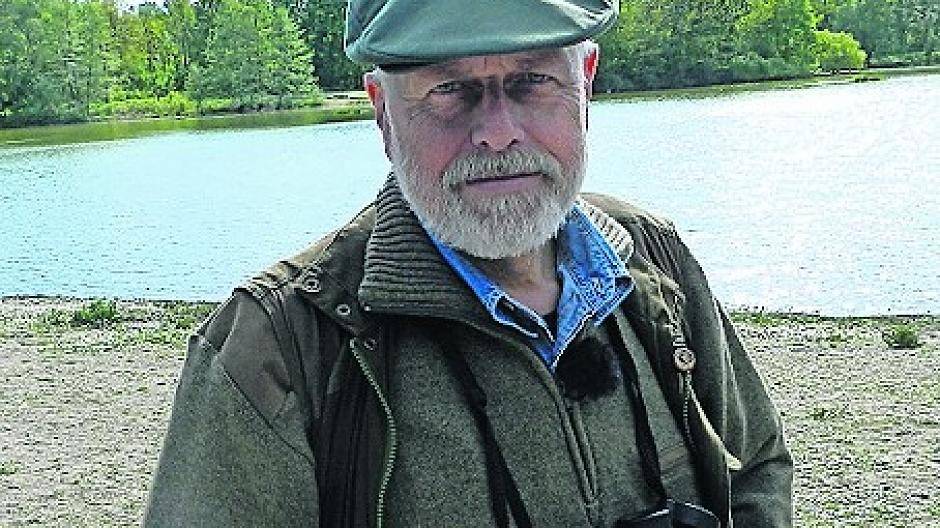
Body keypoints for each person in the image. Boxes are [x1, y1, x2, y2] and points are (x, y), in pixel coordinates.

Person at [144, 1, 793, 526]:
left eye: (533, 80)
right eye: (450, 89)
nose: (498, 131)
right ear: (382, 111)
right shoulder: (277, 346)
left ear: (586, 82)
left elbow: (756, 469)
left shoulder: (655, 259)